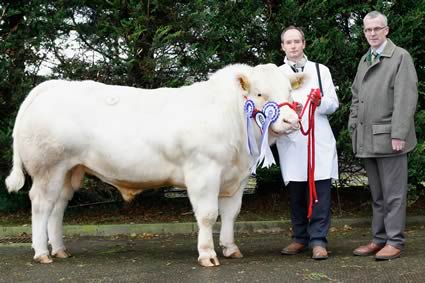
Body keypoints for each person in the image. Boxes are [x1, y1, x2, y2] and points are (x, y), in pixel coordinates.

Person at [349, 11, 418, 260]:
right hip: (368, 139)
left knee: (394, 195)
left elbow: (406, 98)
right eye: (368, 30)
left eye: (377, 29)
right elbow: (356, 96)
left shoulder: (400, 57)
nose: (372, 34)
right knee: (377, 195)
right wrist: (354, 126)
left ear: (386, 30)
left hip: (391, 138)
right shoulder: (365, 59)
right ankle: (379, 239)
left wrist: (399, 132)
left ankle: (395, 240)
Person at [276, 26, 339, 260]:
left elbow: (334, 104)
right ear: (282, 46)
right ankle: (299, 238)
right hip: (292, 140)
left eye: (297, 41)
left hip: (318, 138)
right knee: (297, 192)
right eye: (288, 42)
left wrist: (319, 102)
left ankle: (319, 240)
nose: (293, 46)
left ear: (304, 44)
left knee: (320, 192)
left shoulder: (321, 71)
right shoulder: (277, 74)